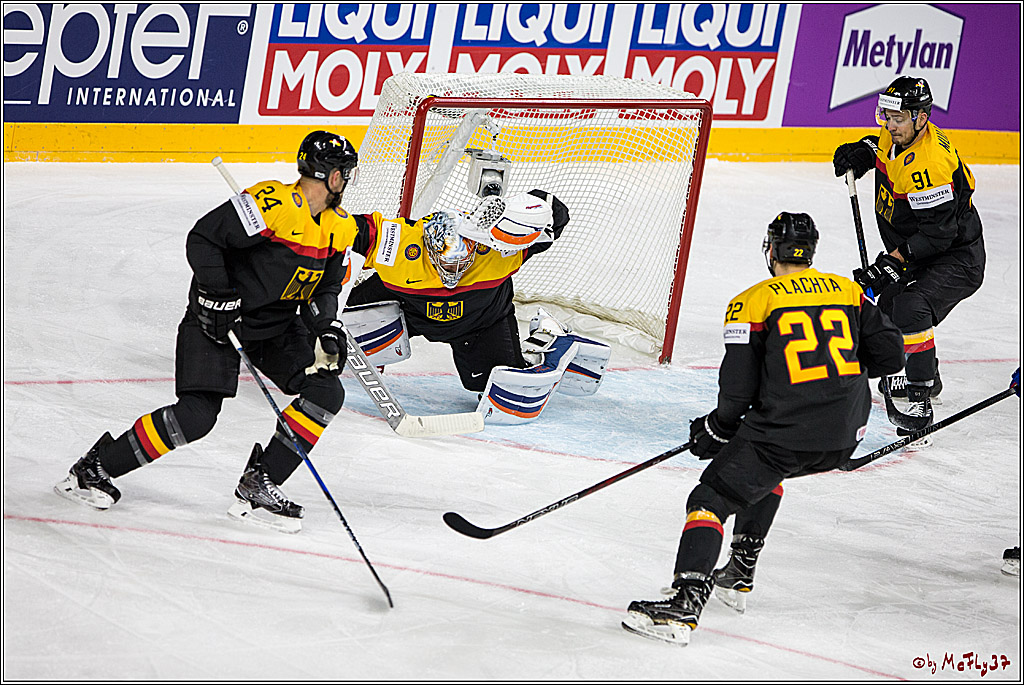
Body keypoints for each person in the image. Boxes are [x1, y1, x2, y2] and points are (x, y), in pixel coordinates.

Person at [55, 130, 365, 534]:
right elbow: (203, 239)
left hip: (276, 326)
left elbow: (326, 286)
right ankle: (95, 468)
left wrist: (326, 327)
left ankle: (260, 483)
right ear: (331, 175)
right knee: (196, 417)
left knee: (326, 390)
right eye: (345, 171)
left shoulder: (339, 227)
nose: (348, 179)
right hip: (216, 320)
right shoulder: (270, 202)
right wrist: (217, 295)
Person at [621, 212, 905, 646]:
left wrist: (716, 429)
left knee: (709, 497)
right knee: (758, 464)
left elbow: (737, 391)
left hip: (787, 432)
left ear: (770, 250)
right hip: (847, 432)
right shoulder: (849, 291)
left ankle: (684, 604)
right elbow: (891, 357)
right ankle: (737, 574)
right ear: (809, 252)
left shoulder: (751, 301)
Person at [344, 190, 611, 423]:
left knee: (508, 401)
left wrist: (520, 211)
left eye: (464, 262)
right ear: (428, 249)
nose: (455, 272)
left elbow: (555, 215)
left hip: (480, 322)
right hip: (410, 309)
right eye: (448, 264)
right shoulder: (399, 246)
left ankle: (552, 341)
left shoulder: (500, 251)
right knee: (335, 330)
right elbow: (340, 229)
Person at [832, 76, 985, 431]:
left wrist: (892, 262)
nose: (889, 124)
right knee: (884, 307)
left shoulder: (928, 166)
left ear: (921, 117)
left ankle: (920, 402)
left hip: (955, 257)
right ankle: (929, 375)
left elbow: (939, 235)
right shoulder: (899, 131)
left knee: (911, 307)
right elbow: (881, 145)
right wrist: (864, 150)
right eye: (885, 116)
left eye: (897, 118)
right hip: (924, 248)